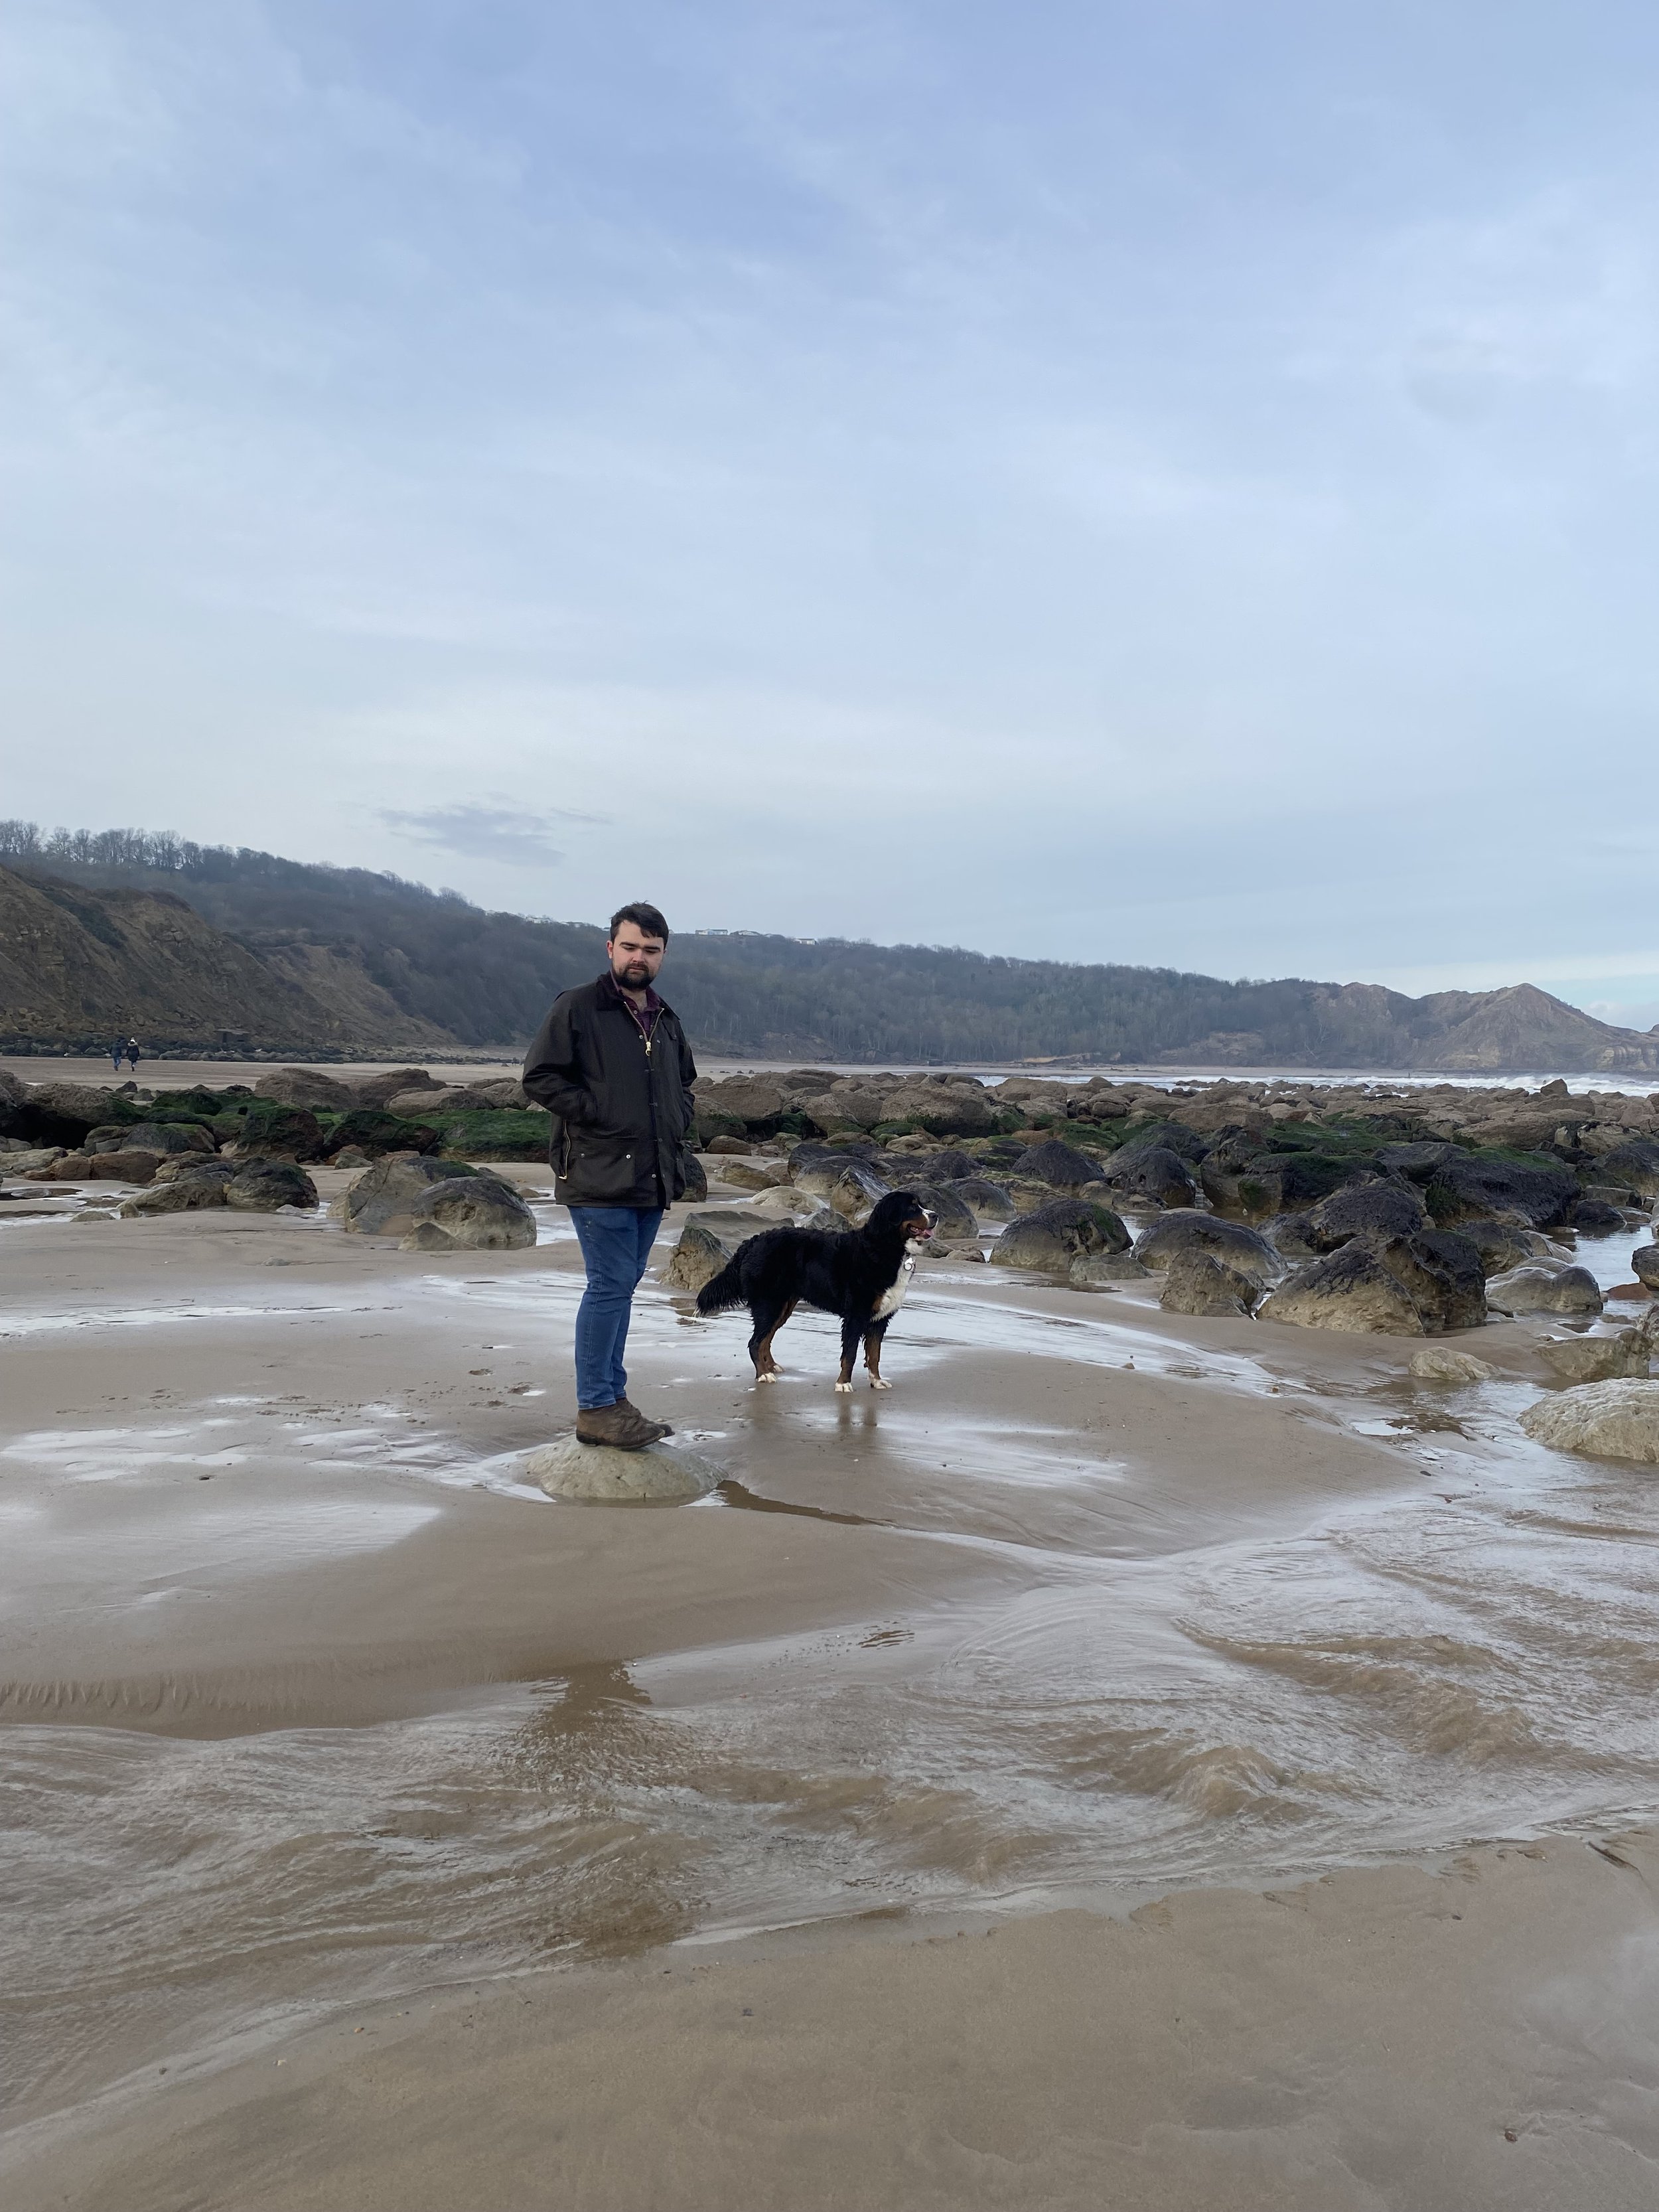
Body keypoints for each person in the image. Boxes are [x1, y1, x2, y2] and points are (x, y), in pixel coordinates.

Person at [522, 903, 697, 1449]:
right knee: (608, 1286)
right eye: (630, 947)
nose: (639, 958)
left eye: (650, 949)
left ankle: (613, 1400)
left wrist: (676, 1126)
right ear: (610, 949)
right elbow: (540, 1077)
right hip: (597, 1173)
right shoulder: (577, 1008)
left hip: (652, 1177)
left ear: (663, 954)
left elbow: (684, 1086)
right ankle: (597, 1407)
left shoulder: (665, 1018)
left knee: (620, 1287)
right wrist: (600, 1111)